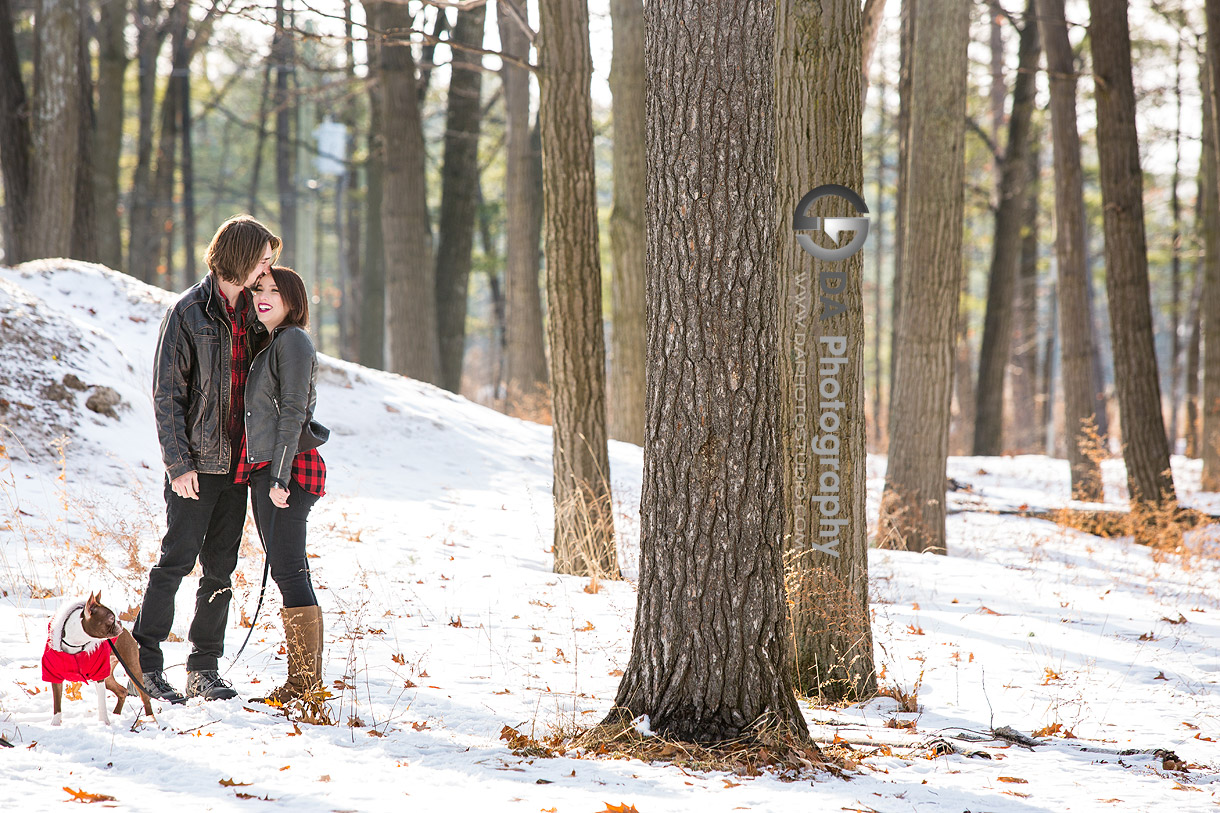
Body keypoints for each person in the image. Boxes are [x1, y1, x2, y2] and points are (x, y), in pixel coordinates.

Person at [134, 215, 280, 703]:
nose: (268, 268)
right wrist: (179, 466)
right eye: (263, 258)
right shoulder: (187, 313)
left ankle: (204, 668)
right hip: (196, 468)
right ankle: (145, 663)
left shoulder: (255, 313)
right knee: (174, 563)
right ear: (239, 257)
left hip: (241, 468)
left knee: (220, 570)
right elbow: (166, 396)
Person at [236, 266, 329, 706]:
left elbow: (293, 411)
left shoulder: (292, 340)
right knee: (286, 568)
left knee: (290, 570)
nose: (263, 296)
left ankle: (305, 684)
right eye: (259, 289)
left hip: (287, 471)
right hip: (273, 468)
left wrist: (278, 476)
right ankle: (304, 682)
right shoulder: (272, 342)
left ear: (294, 300)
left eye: (275, 290)